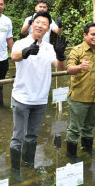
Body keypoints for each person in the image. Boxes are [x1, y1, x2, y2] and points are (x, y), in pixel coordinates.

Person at [10, 11, 67, 172]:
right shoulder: (21, 43)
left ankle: (28, 165)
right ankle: (15, 171)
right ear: (32, 24)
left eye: (44, 24)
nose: (40, 26)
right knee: (18, 137)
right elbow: (14, 57)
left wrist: (61, 56)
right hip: (22, 98)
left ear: (48, 28)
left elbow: (60, 67)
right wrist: (26, 51)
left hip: (40, 100)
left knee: (33, 136)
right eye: (38, 22)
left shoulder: (49, 48)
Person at [65, 23, 95, 159]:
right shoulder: (77, 51)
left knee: (89, 127)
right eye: (93, 34)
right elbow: (68, 69)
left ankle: (87, 151)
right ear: (85, 35)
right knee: (75, 129)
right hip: (79, 97)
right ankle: (71, 156)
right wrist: (80, 67)